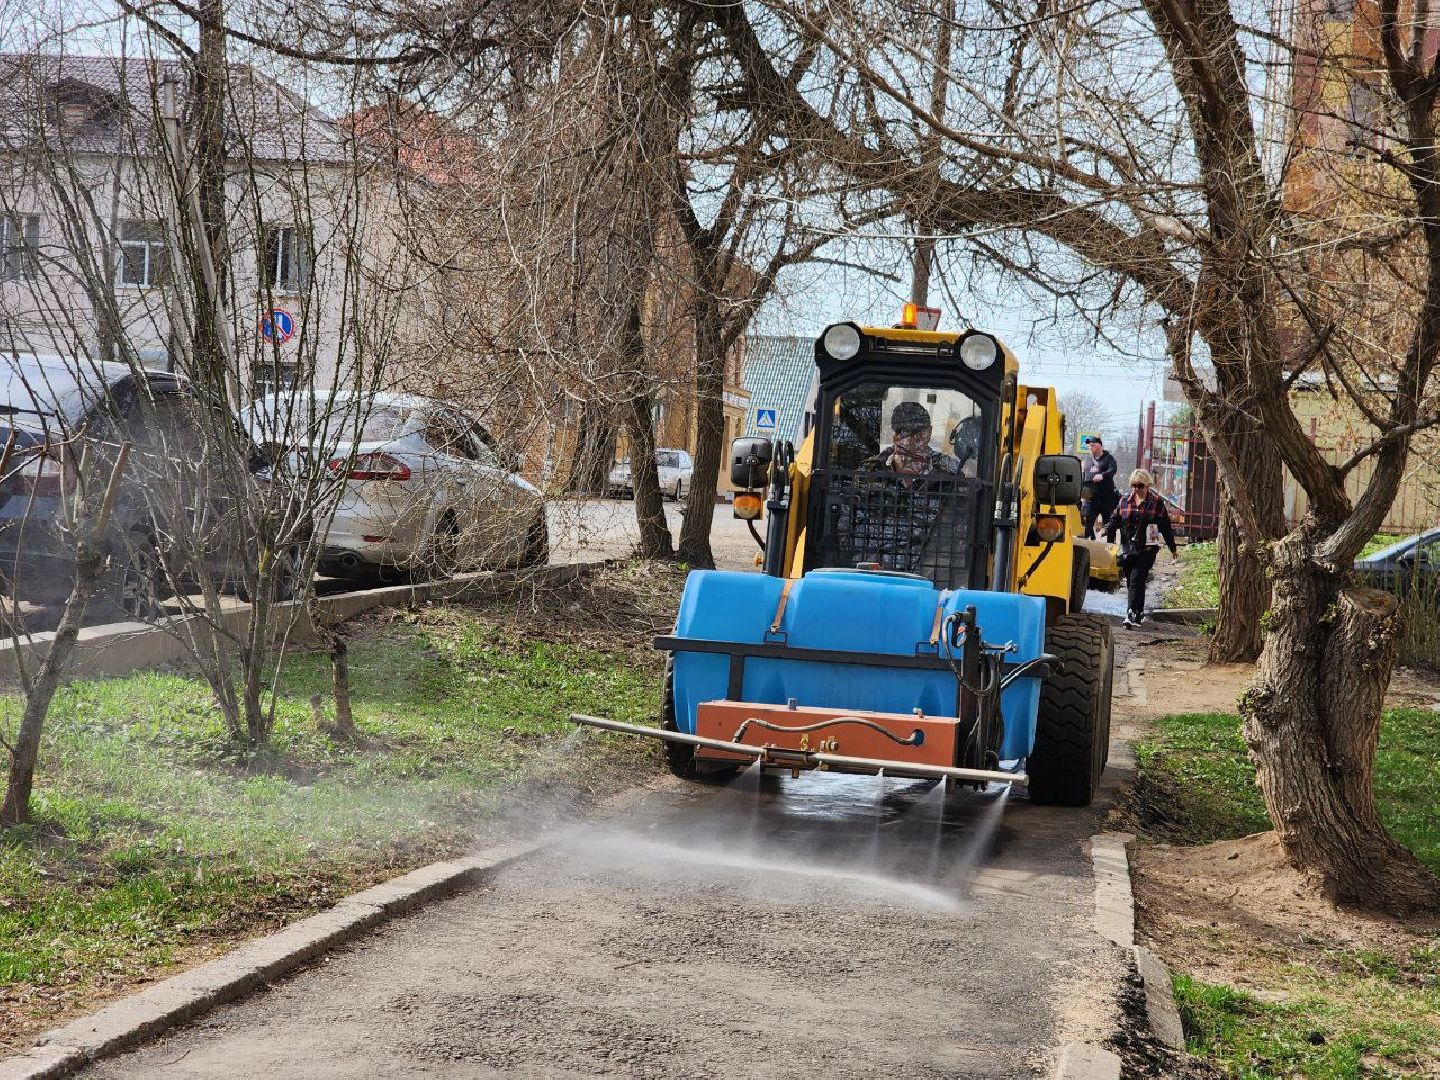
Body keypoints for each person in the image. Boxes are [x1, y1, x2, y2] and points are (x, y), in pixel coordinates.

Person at [1105, 469, 1178, 629]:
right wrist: (1110, 543)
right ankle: (1138, 613)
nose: (1137, 489)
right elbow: (1113, 522)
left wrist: (1173, 548)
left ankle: (1130, 612)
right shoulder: (1124, 501)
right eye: (1134, 485)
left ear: (1147, 485)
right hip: (1128, 549)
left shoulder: (1157, 503)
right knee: (1134, 580)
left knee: (1137, 578)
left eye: (1140, 485)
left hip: (1147, 549)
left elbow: (1165, 527)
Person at [860, 400, 960, 476]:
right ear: (894, 434)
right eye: (902, 432)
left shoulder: (949, 468)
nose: (909, 440)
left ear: (929, 432)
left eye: (918, 433)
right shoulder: (870, 469)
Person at [1080, 436, 1119, 538]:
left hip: (1105, 497)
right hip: (1089, 497)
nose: (1090, 447)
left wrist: (1102, 475)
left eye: (1093, 445)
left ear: (1100, 446)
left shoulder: (1108, 458)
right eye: (1089, 446)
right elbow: (1083, 476)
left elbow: (1113, 469)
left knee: (1109, 523)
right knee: (1086, 522)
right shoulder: (1087, 460)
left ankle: (1110, 545)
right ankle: (1087, 541)